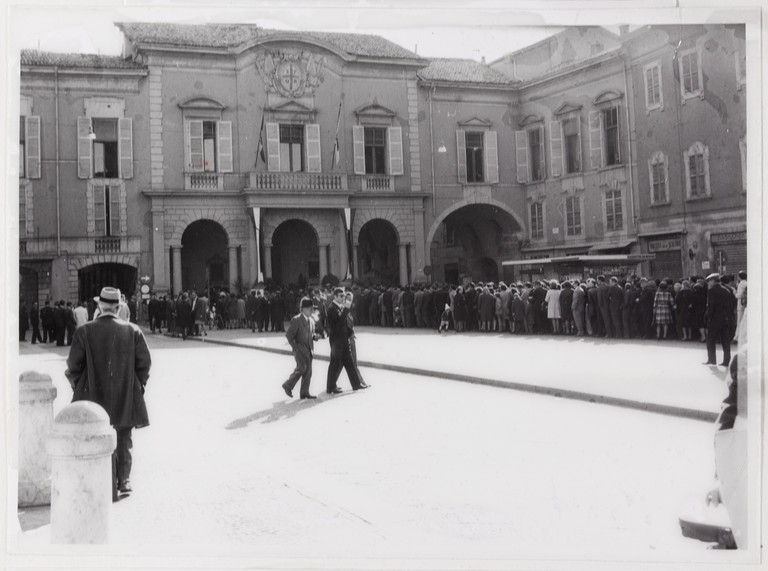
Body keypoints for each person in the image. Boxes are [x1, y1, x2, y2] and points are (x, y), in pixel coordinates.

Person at [64, 286, 151, 497]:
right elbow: (144, 364)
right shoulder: (133, 330)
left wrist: (79, 385)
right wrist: (137, 384)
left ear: (99, 306)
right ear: (119, 306)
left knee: (94, 435)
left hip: (92, 393)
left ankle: (100, 477)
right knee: (124, 435)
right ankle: (124, 479)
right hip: (124, 390)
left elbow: (73, 366)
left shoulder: (84, 331)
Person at [325, 288, 369, 394]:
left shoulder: (339, 307)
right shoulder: (332, 308)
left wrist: (350, 333)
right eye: (341, 296)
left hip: (343, 339)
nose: (343, 298)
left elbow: (345, 324)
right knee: (334, 364)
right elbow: (339, 323)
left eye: (344, 296)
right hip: (336, 341)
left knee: (349, 362)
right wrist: (346, 309)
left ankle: (356, 384)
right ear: (335, 296)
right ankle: (330, 387)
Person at [282, 297, 318, 400]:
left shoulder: (311, 320)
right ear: (303, 309)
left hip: (309, 349)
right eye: (310, 308)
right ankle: (288, 385)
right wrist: (296, 347)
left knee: (308, 372)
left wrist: (315, 337)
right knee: (302, 368)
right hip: (299, 349)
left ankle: (304, 392)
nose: (312, 310)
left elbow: (311, 334)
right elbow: (289, 335)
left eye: (312, 308)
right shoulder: (296, 320)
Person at [704, 273, 735, 367]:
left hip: (715, 319)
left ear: (713, 280)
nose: (708, 283)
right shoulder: (726, 290)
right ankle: (726, 361)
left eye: (709, 281)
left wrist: (708, 317)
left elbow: (711, 306)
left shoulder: (712, 290)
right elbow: (731, 305)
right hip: (725, 318)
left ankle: (712, 359)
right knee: (725, 340)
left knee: (711, 339)